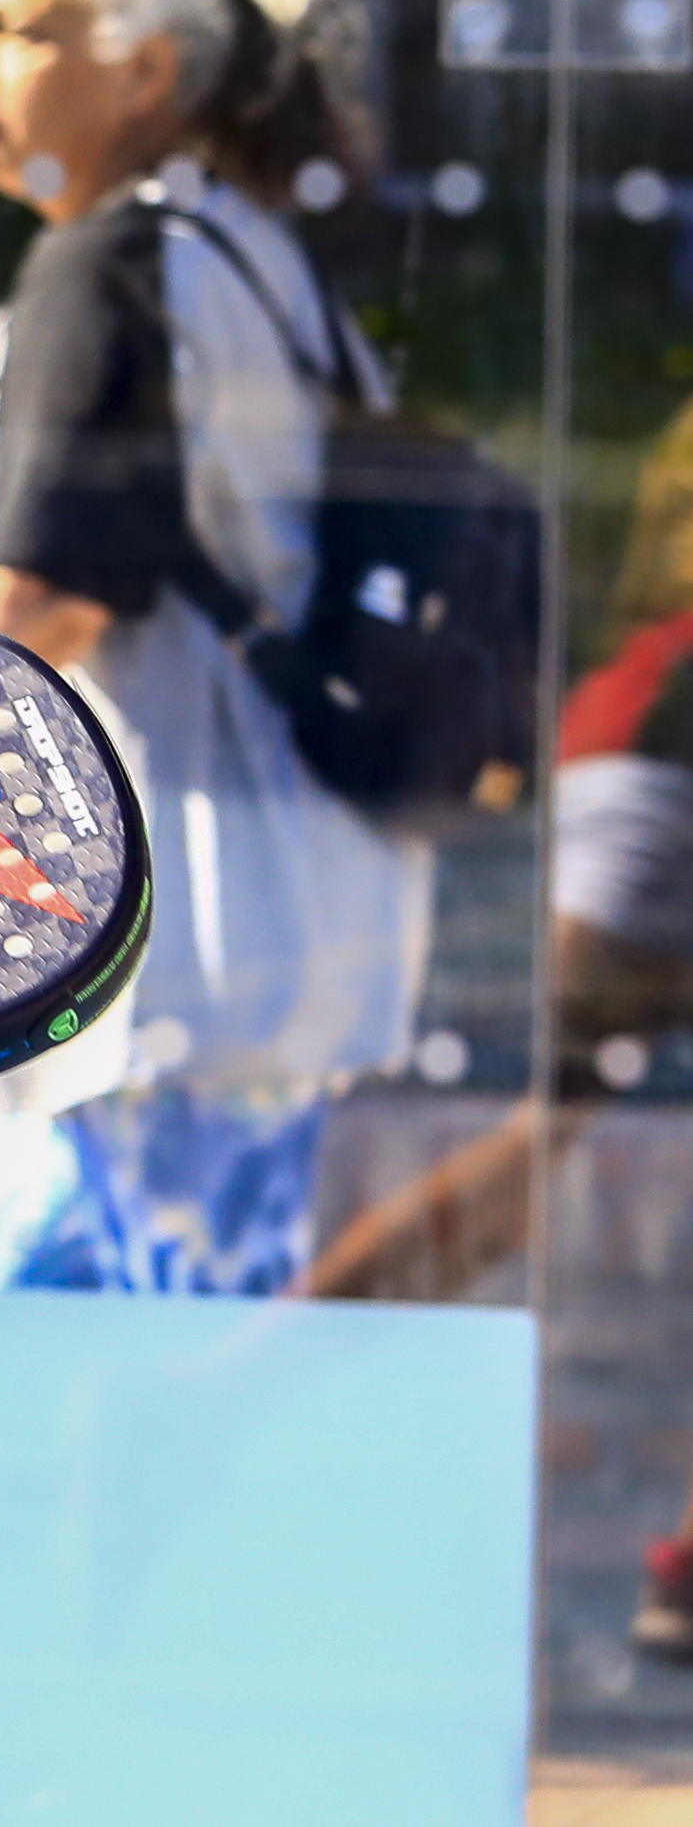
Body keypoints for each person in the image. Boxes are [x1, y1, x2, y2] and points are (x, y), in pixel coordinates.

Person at [0, 0, 431, 1295]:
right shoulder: (262, 267)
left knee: (32, 1429)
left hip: (156, 986)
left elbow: (41, 605)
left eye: (14, 30)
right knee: (163, 1426)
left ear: (145, 70)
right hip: (274, 959)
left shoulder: (109, 266)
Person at [308, 391, 693, 1660]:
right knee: (532, 1153)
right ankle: (266, 1368)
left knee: (532, 1155)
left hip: (628, 777)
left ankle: (267, 1365)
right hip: (645, 802)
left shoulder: (650, 640)